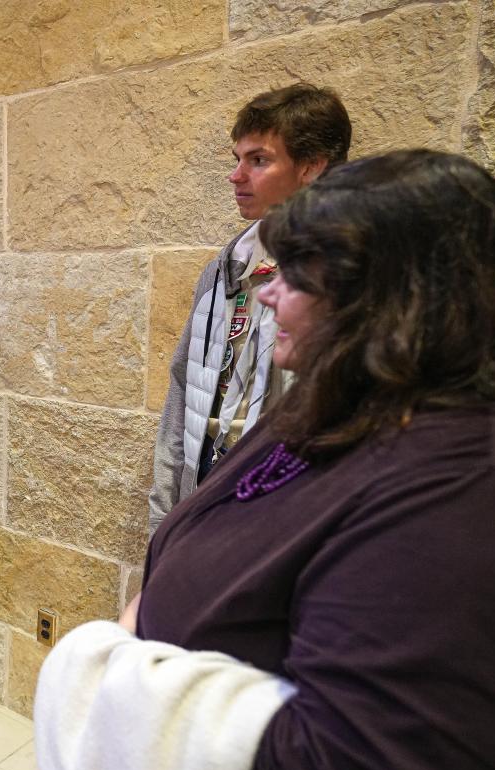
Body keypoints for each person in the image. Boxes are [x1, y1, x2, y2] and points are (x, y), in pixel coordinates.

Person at [34, 150, 495, 770]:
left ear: (385, 296)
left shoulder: (467, 489)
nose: (268, 293)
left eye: (294, 276)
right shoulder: (343, 396)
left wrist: (102, 668)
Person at [148, 83, 352, 535]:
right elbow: (185, 387)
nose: (236, 175)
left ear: (312, 167)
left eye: (258, 160)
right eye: (237, 159)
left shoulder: (343, 278)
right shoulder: (225, 270)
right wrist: (165, 515)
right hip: (204, 497)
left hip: (282, 517)